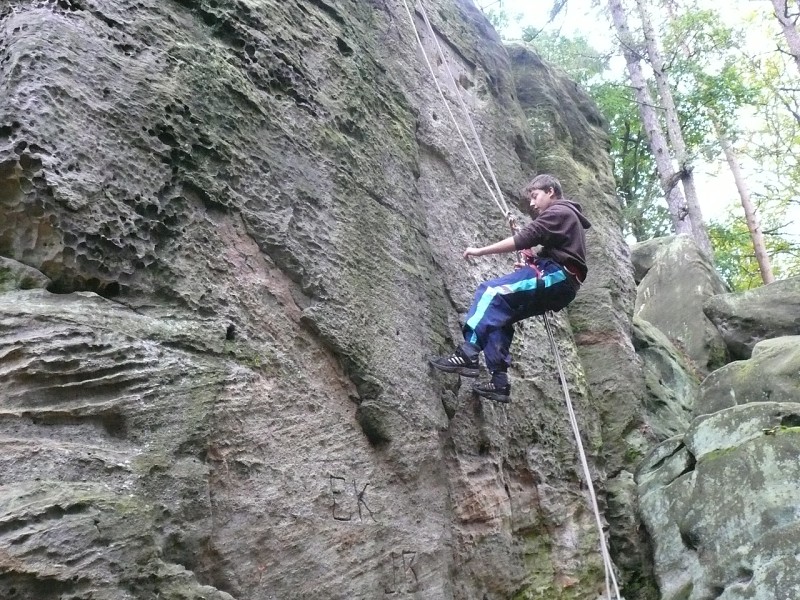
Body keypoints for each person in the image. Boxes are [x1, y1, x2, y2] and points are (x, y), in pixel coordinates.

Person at [429, 174, 590, 403]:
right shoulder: (567, 218)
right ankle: (499, 381)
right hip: (559, 281)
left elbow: (525, 238)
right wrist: (533, 263)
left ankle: (468, 352)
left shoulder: (559, 212)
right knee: (500, 315)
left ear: (551, 192)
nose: (532, 203)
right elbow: (554, 251)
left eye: (535, 196)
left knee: (490, 292)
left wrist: (480, 251)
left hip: (556, 277)